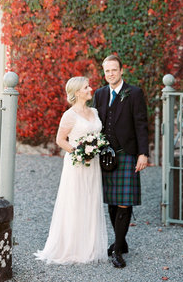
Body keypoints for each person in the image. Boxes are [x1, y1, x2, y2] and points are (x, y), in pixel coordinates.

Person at [34, 77, 108, 264]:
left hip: (93, 164)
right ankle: (72, 247)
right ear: (77, 93)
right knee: (76, 201)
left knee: (91, 200)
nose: (91, 89)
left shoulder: (94, 111)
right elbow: (60, 140)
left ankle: (89, 247)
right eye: (86, 87)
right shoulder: (69, 115)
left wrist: (94, 150)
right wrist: (80, 153)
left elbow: (98, 135)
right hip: (77, 164)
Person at [93, 55, 149, 269]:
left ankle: (117, 250)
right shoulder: (99, 94)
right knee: (112, 201)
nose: (110, 74)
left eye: (114, 70)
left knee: (124, 201)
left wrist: (143, 153)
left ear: (121, 70)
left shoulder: (134, 93)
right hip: (106, 156)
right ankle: (121, 241)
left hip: (127, 154)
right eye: (107, 71)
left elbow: (141, 124)